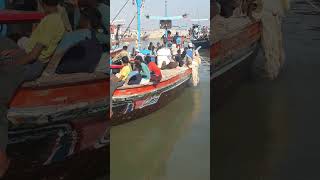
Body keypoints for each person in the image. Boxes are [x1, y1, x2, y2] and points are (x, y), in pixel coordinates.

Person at [0, 0, 65, 177]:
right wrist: (12, 55)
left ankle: (2, 158)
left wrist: (10, 62)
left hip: (32, 64)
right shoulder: (54, 18)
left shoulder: (51, 21)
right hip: (27, 57)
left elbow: (33, 56)